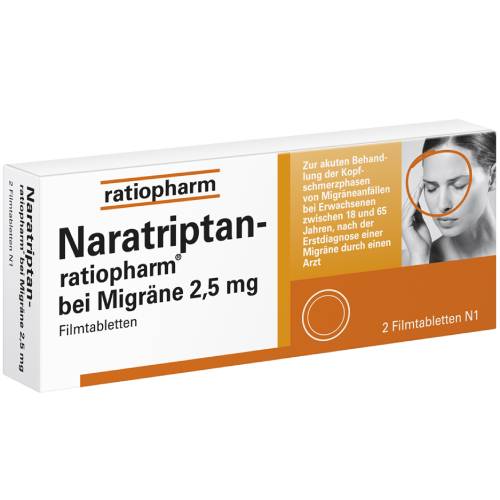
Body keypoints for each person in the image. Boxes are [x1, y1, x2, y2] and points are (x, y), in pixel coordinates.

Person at [403, 132, 496, 265]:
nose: (442, 205)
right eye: (431, 188)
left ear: (493, 177)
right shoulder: (410, 260)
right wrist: (419, 258)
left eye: (459, 185)